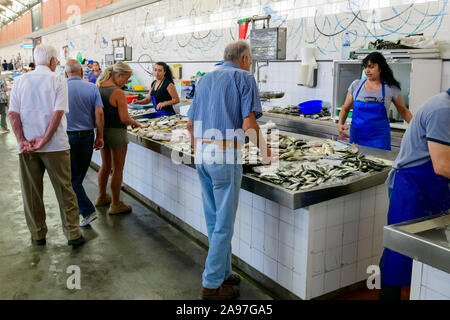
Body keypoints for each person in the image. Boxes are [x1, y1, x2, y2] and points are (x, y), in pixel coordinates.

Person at [187, 40, 274, 300]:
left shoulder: (204, 79)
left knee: (214, 220)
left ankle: (224, 273)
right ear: (245, 58)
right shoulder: (244, 78)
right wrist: (267, 153)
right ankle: (211, 284)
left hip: (202, 154)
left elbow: (190, 124)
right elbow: (249, 125)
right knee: (224, 225)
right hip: (225, 155)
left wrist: (199, 151)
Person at [8, 44, 85, 248]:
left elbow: (13, 114)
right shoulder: (58, 79)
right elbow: (58, 112)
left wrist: (22, 140)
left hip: (26, 148)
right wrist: (44, 140)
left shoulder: (20, 81)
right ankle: (73, 234)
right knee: (64, 190)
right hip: (56, 147)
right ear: (52, 61)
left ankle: (38, 235)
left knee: (31, 192)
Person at [380, 89, 450, 300]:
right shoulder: (443, 110)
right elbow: (442, 165)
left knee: (428, 256)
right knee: (399, 254)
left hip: (435, 188)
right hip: (412, 188)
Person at [338, 52, 412, 150]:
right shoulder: (356, 85)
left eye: (371, 67)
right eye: (365, 67)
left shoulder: (390, 88)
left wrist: (418, 128)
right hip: (357, 137)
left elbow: (403, 110)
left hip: (379, 139)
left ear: (380, 68)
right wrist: (340, 124)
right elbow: (345, 108)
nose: (367, 70)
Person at [96, 62, 142, 215]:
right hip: (117, 133)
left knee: (105, 166)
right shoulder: (118, 92)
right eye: (126, 79)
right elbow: (124, 118)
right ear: (119, 75)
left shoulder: (99, 86)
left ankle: (102, 196)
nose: (126, 83)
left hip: (103, 131)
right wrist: (135, 122)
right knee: (118, 169)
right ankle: (115, 204)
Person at [65, 59, 105, 227]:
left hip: (67, 137)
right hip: (88, 136)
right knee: (78, 177)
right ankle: (82, 210)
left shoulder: (60, 88)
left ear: (66, 73)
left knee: (73, 178)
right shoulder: (92, 87)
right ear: (82, 72)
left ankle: (87, 211)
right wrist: (100, 136)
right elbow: (99, 113)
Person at [0, 68, 9, 132]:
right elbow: (6, 89)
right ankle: (4, 127)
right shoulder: (2, 79)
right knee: (3, 113)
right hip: (1, 98)